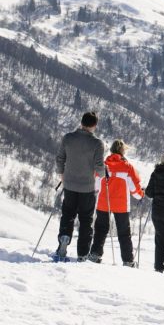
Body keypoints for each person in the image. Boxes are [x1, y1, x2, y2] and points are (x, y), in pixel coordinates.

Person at [54, 111, 105, 261]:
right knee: (86, 220)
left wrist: (62, 174)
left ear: (81, 122)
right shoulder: (97, 143)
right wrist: (103, 175)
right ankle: (82, 253)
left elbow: (60, 158)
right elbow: (99, 166)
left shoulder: (68, 138)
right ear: (94, 126)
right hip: (87, 187)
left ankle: (64, 237)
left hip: (69, 184)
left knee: (68, 214)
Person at [88, 139, 144, 266]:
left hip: (104, 202)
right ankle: (128, 260)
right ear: (123, 152)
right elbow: (135, 190)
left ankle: (95, 254)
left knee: (101, 230)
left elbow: (96, 186)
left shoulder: (102, 165)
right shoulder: (127, 167)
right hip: (121, 205)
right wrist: (141, 195)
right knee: (124, 233)